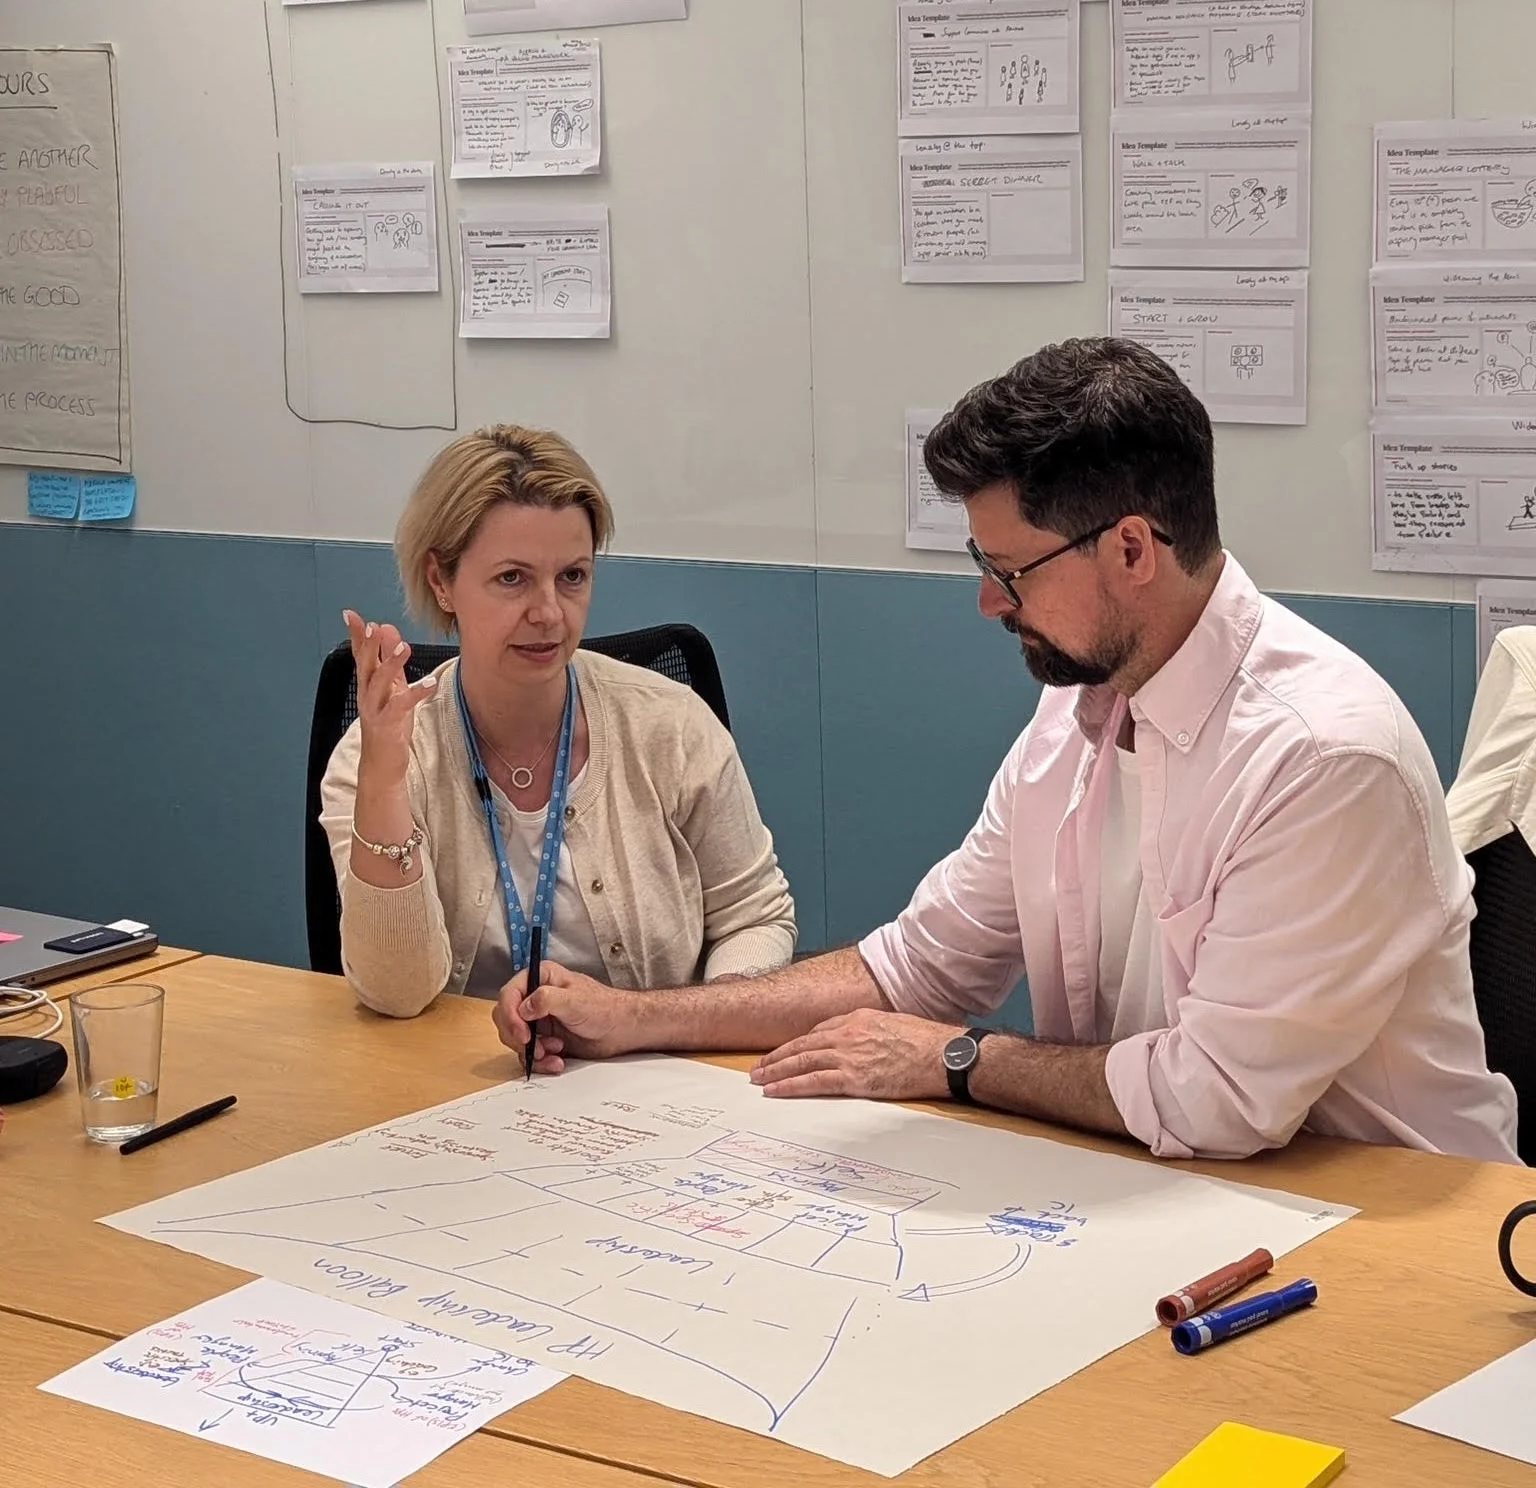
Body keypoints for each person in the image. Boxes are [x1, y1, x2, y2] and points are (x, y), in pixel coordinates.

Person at [499, 338, 1520, 1165]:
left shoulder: (1324, 756)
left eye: (1009, 568)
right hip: (1170, 1189)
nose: (989, 600)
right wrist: (633, 1017)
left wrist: (958, 1059)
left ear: (1131, 549)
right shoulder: (1077, 710)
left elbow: (1216, 1098)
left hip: (1373, 1228)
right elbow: (919, 964)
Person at [320, 424, 796, 1019]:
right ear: (442, 580)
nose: (549, 613)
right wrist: (385, 785)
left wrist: (688, 1027)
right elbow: (396, 991)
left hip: (654, 1079)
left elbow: (756, 917)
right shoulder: (380, 756)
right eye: (512, 578)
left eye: (572, 576)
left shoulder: (670, 725)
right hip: (449, 1092)